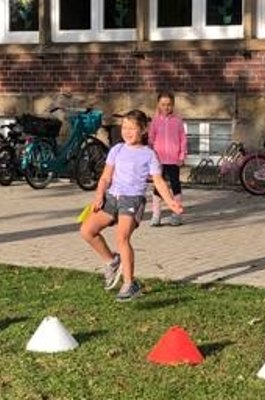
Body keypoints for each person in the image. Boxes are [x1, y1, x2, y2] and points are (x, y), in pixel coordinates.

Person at [79, 109, 183, 301]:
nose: (127, 132)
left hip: (132, 200)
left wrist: (171, 203)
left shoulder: (149, 155)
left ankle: (129, 284)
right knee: (87, 231)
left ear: (143, 130)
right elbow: (105, 177)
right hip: (111, 198)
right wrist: (99, 195)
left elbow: (159, 182)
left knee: (122, 238)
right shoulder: (116, 150)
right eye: (124, 127)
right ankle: (112, 261)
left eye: (132, 128)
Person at [148, 91, 187, 226]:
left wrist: (182, 155)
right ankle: (156, 215)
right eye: (163, 104)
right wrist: (150, 156)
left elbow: (183, 139)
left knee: (175, 185)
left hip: (173, 159)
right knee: (158, 187)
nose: (166, 107)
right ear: (158, 105)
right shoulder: (155, 122)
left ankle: (176, 214)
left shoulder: (177, 121)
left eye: (169, 105)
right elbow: (151, 140)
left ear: (173, 105)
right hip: (158, 160)